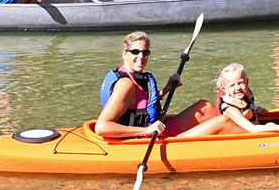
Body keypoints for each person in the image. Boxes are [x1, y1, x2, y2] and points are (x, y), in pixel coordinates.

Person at [96, 32, 246, 138]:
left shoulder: (133, 78)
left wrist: (165, 90)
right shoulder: (125, 84)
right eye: (135, 52)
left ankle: (231, 133)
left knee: (205, 107)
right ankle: (257, 141)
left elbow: (137, 107)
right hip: (146, 141)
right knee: (222, 121)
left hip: (156, 131)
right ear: (124, 54)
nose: (141, 57)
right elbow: (102, 127)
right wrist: (147, 130)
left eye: (145, 52)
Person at [215, 63, 279, 135]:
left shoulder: (247, 94)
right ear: (224, 89)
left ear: (247, 82)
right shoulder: (229, 109)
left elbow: (248, 106)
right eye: (232, 85)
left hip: (254, 128)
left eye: (241, 83)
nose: (238, 88)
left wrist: (255, 109)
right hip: (244, 136)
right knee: (273, 127)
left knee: (270, 124)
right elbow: (251, 129)